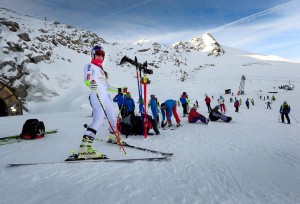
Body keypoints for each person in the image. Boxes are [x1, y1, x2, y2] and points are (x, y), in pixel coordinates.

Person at [79, 45, 119, 159]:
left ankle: (112, 138)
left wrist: (120, 90)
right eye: (98, 53)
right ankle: (84, 149)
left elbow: (107, 86)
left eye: (102, 54)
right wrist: (90, 84)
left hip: (106, 97)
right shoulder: (89, 66)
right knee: (99, 120)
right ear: (93, 54)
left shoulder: (102, 71)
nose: (100, 56)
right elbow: (87, 80)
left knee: (113, 118)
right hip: (96, 96)